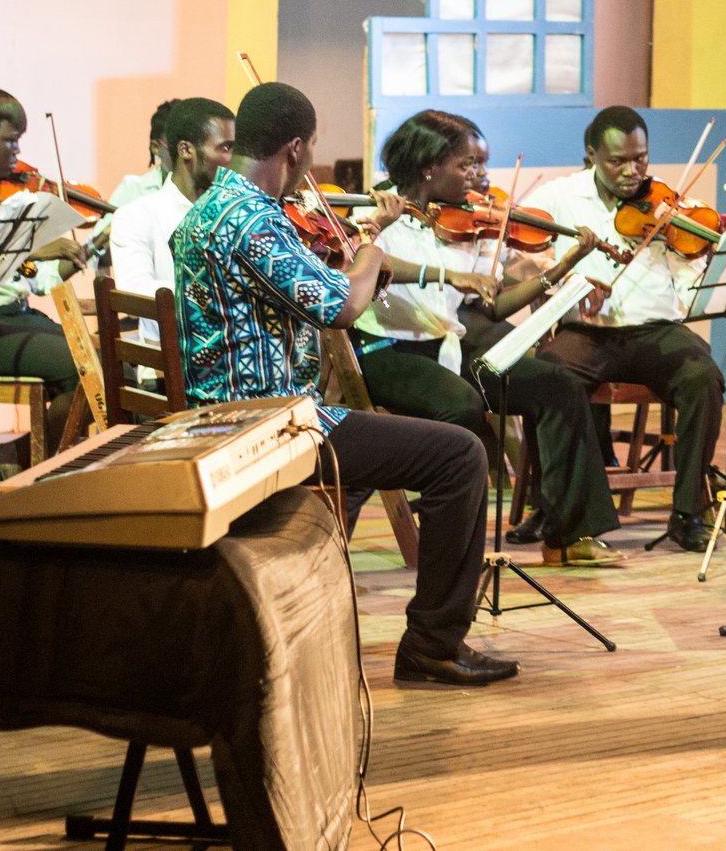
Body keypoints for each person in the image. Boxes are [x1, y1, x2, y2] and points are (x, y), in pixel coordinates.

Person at [172, 81, 515, 686]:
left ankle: (315, 602)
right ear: (296, 149)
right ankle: (433, 644)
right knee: (460, 454)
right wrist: (371, 246)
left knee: (379, 455)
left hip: (222, 416)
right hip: (269, 427)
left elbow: (298, 290)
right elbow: (342, 307)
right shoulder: (251, 220)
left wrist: (347, 259)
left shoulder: (211, 210)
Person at [350, 108, 622, 567]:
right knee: (462, 404)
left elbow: (491, 306)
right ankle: (451, 537)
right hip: (388, 351)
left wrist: (563, 266)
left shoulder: (467, 223)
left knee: (558, 385)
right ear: (428, 167)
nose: (481, 175)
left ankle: (568, 536)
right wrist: (443, 271)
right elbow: (373, 268)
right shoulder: (375, 213)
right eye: (468, 164)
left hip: (449, 346)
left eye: (482, 163)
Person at [528, 106, 725, 553]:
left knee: (703, 377)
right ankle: (570, 513)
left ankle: (688, 510)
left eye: (641, 158)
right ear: (591, 154)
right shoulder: (560, 197)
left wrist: (693, 257)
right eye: (618, 160)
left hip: (656, 329)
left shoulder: (666, 206)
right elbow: (529, 260)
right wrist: (570, 287)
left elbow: (687, 283)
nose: (632, 171)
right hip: (589, 331)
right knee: (551, 375)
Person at [0, 88, 88, 450]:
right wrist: (32, 247)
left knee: (111, 369)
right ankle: (38, 464)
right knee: (85, 373)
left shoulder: (0, 201)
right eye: (11, 141)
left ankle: (26, 453)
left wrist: (80, 253)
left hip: (16, 316)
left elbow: (30, 278)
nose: (17, 153)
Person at [109, 97, 235, 343]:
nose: (234, 160)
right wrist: (214, 291)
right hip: (170, 366)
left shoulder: (233, 214)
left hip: (233, 364)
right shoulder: (136, 215)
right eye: (225, 148)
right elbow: (133, 292)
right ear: (186, 149)